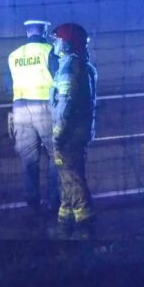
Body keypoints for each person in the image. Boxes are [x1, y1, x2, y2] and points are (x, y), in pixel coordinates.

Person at [5, 19, 60, 214]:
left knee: (29, 158)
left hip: (20, 107)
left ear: (28, 32)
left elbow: (7, 85)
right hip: (44, 106)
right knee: (56, 155)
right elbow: (59, 78)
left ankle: (32, 203)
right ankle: (54, 201)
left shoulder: (14, 55)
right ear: (44, 31)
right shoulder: (49, 51)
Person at [48, 22, 97, 237]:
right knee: (67, 180)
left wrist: (59, 133)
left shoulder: (70, 67)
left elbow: (66, 103)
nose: (55, 45)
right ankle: (64, 226)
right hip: (78, 133)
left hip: (68, 135)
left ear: (67, 44)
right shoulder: (80, 65)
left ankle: (86, 228)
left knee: (72, 180)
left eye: (58, 40)